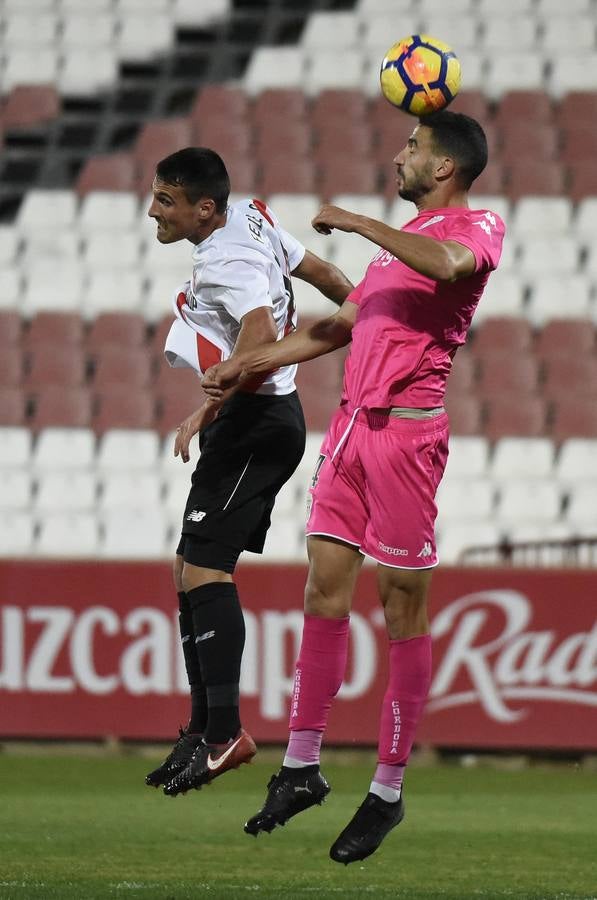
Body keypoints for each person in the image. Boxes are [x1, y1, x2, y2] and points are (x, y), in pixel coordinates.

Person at [202, 111, 505, 862]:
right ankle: (301, 765)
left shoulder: (476, 228)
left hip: (406, 436)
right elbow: (336, 328)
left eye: (412, 148)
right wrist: (248, 363)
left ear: (443, 168)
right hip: (348, 431)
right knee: (322, 590)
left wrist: (358, 220)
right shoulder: (384, 267)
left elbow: (445, 268)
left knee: (401, 606)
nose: (399, 156)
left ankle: (387, 790)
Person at [143, 148, 354, 796]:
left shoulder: (225, 262)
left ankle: (225, 734)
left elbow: (258, 345)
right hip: (254, 420)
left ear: (204, 208)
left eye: (166, 200)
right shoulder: (253, 219)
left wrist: (207, 414)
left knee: (207, 570)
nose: (153, 209)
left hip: (256, 426)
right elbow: (318, 269)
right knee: (186, 568)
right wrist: (364, 309)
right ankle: (202, 729)